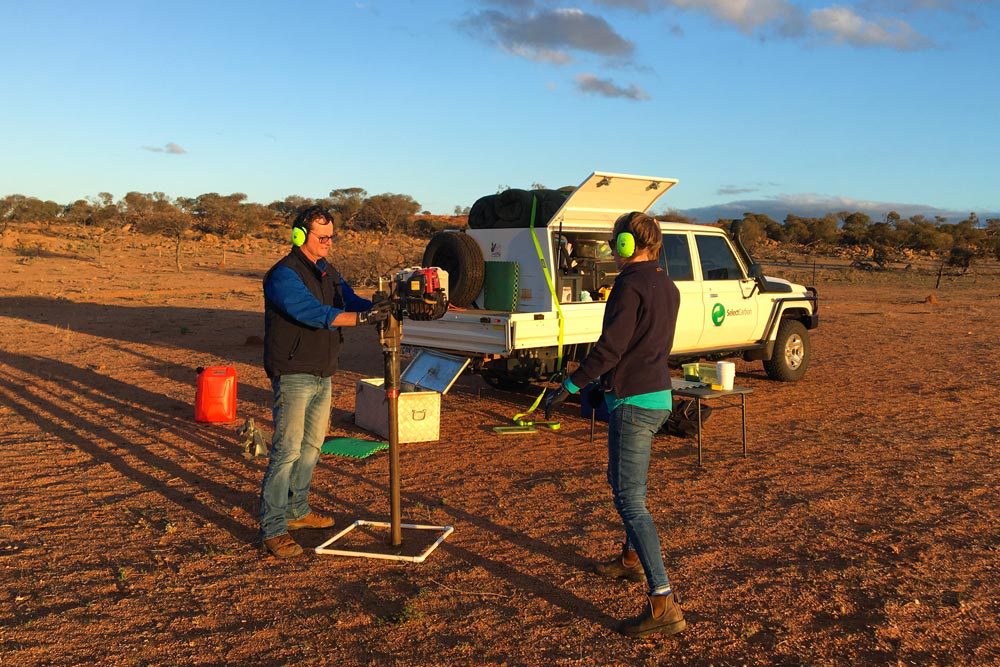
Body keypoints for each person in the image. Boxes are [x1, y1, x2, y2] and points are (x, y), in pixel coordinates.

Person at [544, 211, 685, 638]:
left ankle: (663, 603)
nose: (611, 247)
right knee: (622, 482)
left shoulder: (629, 284)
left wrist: (570, 384)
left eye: (614, 240)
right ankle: (628, 562)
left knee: (630, 500)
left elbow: (610, 348)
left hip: (634, 401)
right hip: (656, 395)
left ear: (626, 244)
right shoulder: (667, 285)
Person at [259, 205, 391, 559]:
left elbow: (347, 299)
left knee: (313, 446)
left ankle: (297, 511)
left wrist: (381, 306)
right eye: (322, 237)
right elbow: (312, 313)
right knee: (286, 452)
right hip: (294, 373)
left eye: (332, 236)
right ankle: (273, 528)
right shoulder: (283, 275)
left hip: (322, 371)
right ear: (300, 236)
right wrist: (361, 317)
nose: (329, 242)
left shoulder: (326, 270)